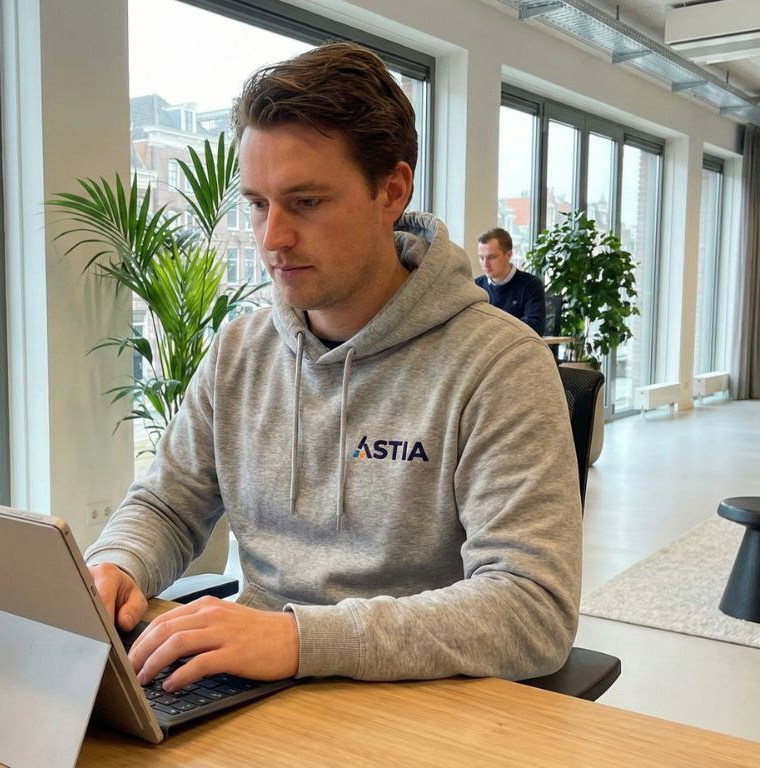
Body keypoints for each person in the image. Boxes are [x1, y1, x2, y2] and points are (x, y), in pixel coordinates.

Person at [84, 43, 581, 694]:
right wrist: (117, 563)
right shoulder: (239, 351)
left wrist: (297, 639)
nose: (272, 238)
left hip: (414, 708)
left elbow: (533, 609)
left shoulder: (497, 366)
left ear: (391, 190)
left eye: (307, 202)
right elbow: (168, 506)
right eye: (258, 203)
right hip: (247, 692)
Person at [475, 228, 546, 335]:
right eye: (481, 258)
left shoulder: (531, 285)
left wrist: (491, 325)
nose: (485, 264)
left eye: (492, 257)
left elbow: (535, 326)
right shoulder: (476, 286)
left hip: (517, 348)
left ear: (508, 255)